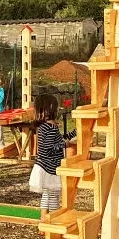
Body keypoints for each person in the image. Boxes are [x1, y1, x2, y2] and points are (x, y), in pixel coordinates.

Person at [30, 94, 76, 222]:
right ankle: (53, 222)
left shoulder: (45, 126)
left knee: (47, 195)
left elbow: (59, 139)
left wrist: (74, 133)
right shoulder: (50, 127)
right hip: (50, 168)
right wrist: (65, 144)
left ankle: (43, 220)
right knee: (54, 197)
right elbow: (50, 147)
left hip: (44, 167)